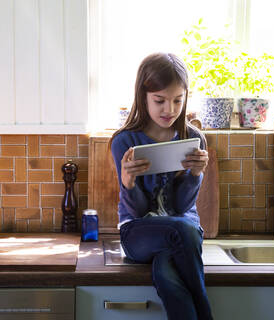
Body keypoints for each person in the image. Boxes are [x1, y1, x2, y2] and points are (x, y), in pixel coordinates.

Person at [109, 52, 213, 320]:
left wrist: (195, 175)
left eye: (178, 100)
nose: (170, 109)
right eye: (160, 100)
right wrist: (128, 183)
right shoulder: (125, 140)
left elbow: (181, 206)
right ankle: (206, 311)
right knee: (181, 229)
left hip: (183, 235)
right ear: (143, 97)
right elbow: (137, 212)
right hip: (138, 233)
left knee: (167, 271)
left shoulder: (194, 137)